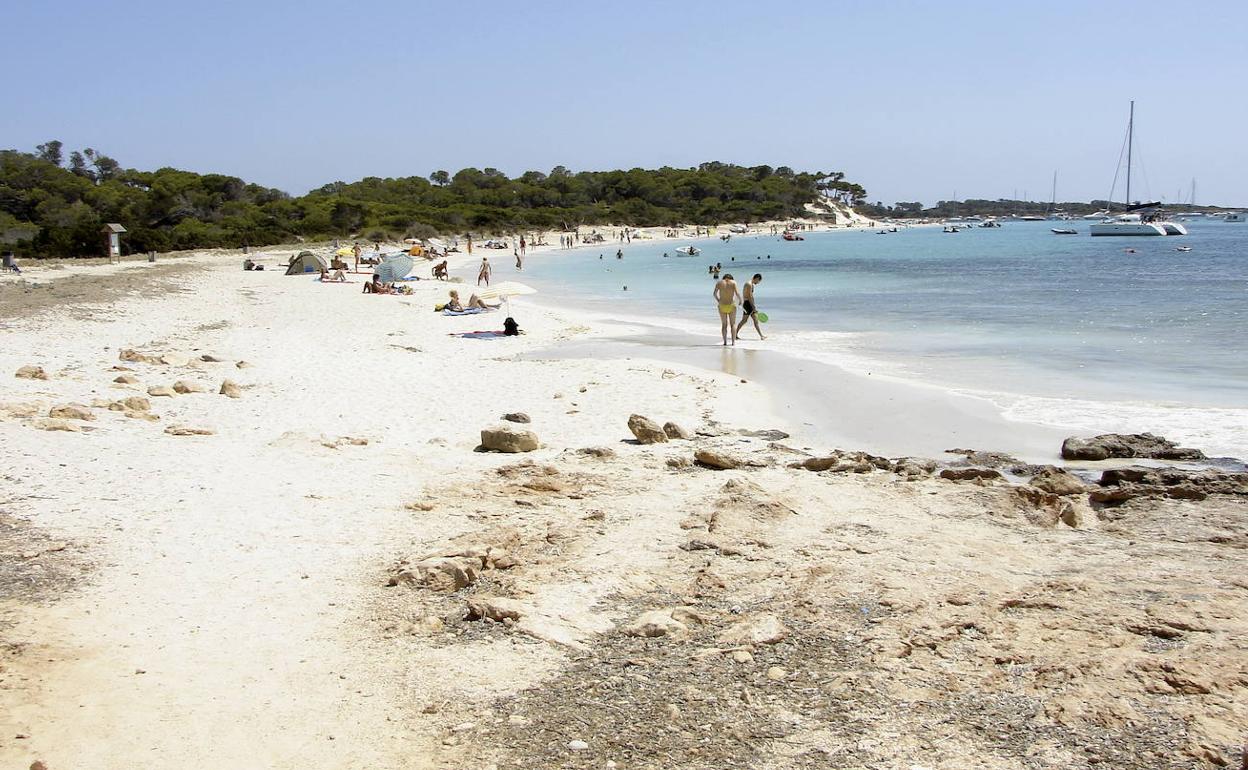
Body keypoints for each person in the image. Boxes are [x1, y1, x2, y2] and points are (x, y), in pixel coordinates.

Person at [712, 273, 742, 346]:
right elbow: (737, 293)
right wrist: (741, 300)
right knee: (733, 324)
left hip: (722, 305)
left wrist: (718, 300)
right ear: (731, 278)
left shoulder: (719, 283)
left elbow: (714, 294)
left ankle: (725, 342)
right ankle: (733, 342)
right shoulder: (733, 282)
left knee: (724, 324)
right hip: (731, 305)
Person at [735, 274, 765, 340]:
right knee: (753, 320)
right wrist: (753, 306)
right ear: (757, 278)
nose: (758, 283)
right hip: (748, 304)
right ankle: (761, 336)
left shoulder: (749, 283)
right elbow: (750, 296)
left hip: (747, 304)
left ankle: (735, 334)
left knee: (745, 320)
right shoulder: (749, 284)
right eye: (759, 281)